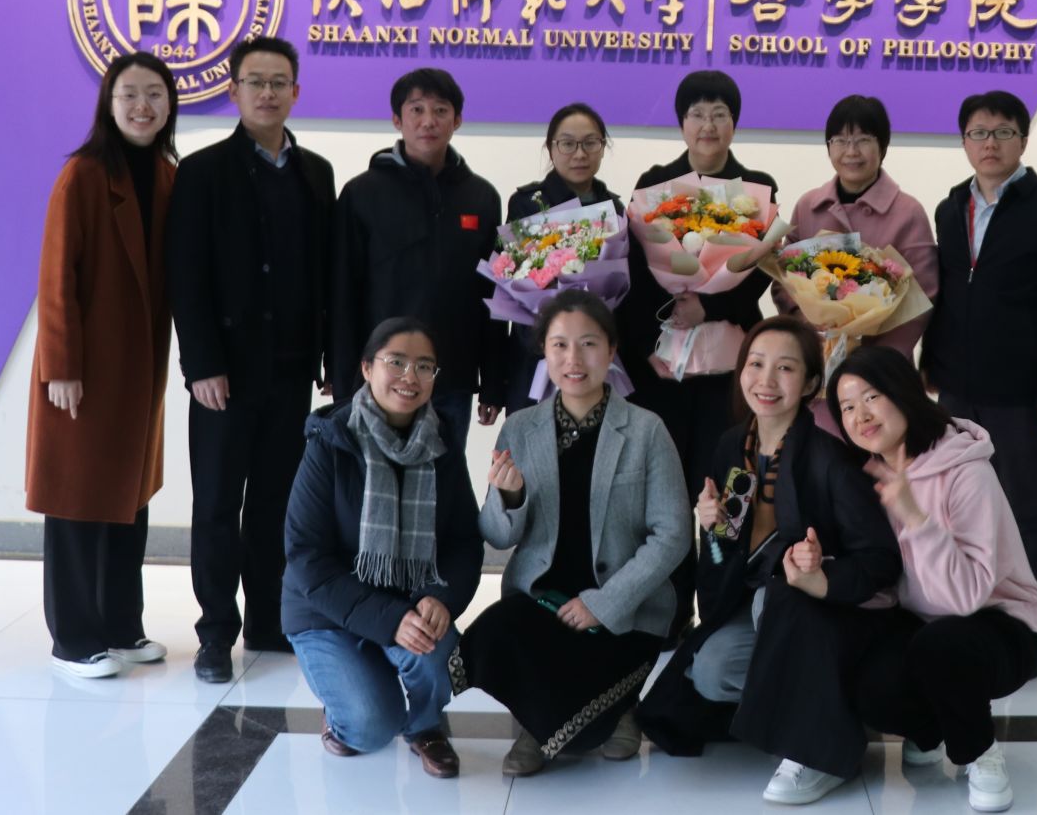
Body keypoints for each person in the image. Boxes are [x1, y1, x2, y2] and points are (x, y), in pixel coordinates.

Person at [637, 316, 901, 806]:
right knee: (710, 671)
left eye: (785, 368)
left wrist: (822, 571)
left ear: (812, 384)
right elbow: (722, 561)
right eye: (756, 364)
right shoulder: (730, 446)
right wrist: (713, 529)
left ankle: (820, 748)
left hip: (824, 615)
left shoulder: (830, 460)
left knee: (773, 602)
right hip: (759, 609)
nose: (766, 381)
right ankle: (825, 704)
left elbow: (881, 560)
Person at [456, 290, 688, 777]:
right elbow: (495, 535)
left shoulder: (646, 430)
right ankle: (537, 723)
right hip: (543, 601)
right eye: (559, 345)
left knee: (586, 736)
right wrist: (510, 497)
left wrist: (603, 603)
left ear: (611, 350)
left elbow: (672, 534)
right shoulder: (521, 428)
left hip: (622, 610)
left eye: (588, 344)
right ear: (543, 351)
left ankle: (619, 705)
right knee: (489, 634)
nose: (573, 359)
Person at [166, 36, 337, 685]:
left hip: (291, 369)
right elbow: (186, 275)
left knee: (275, 503)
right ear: (233, 90)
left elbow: (324, 274)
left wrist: (328, 355)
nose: (267, 92)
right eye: (255, 81)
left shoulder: (316, 172)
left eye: (279, 82)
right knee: (216, 504)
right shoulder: (202, 171)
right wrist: (200, 364)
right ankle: (215, 632)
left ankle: (268, 619)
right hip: (224, 375)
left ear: (296, 91)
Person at [833, 347, 1037, 815]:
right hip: (923, 622)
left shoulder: (966, 470)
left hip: (1000, 624)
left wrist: (915, 517)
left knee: (942, 645)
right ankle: (929, 728)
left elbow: (966, 596)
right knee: (870, 685)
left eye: (871, 397)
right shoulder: (868, 476)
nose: (860, 415)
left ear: (903, 393)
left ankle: (979, 752)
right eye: (847, 406)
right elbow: (886, 582)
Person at [26, 52, 178, 679]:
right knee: (77, 500)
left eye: (155, 94)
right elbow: (55, 277)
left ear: (170, 105)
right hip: (84, 371)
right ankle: (73, 639)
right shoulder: (83, 174)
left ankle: (120, 625)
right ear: (108, 105)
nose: (143, 106)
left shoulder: (167, 174)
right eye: (129, 94)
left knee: (128, 500)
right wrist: (61, 365)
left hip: (139, 371)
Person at [919, 90, 1037, 622]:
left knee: (1022, 510)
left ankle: (1029, 624)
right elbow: (948, 294)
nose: (989, 143)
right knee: (956, 507)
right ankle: (967, 618)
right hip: (957, 391)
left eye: (1002, 132)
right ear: (964, 142)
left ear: (1023, 139)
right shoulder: (951, 208)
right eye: (978, 132)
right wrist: (932, 364)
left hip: (1023, 396)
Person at [281, 318, 483, 775]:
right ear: (367, 368)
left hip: (409, 599)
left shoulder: (443, 444)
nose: (410, 377)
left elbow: (464, 540)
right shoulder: (330, 440)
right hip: (326, 612)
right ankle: (345, 707)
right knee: (370, 727)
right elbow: (307, 557)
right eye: (396, 362)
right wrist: (390, 620)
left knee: (442, 656)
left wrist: (440, 597)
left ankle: (425, 726)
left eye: (424, 366)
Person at [620, 70, 781, 625]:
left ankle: (722, 609)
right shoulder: (655, 183)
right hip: (662, 371)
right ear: (681, 123)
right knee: (665, 498)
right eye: (697, 114)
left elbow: (758, 274)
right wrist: (664, 320)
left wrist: (707, 307)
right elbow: (637, 270)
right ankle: (669, 614)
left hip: (728, 373)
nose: (707, 125)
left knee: (725, 490)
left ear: (734, 122)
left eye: (719, 113)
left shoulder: (756, 187)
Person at [330, 67, 508, 453]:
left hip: (451, 377)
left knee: (444, 480)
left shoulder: (482, 197)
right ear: (397, 119)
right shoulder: (362, 193)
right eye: (416, 109)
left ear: (457, 120)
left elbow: (494, 294)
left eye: (441, 110)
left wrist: (494, 381)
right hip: (380, 377)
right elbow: (343, 290)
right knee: (372, 479)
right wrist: (342, 377)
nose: (429, 121)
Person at [776, 94, 939, 358]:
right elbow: (784, 280)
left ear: (882, 146)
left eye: (863, 140)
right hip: (815, 356)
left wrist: (877, 358)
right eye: (840, 140)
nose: (851, 151)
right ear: (828, 147)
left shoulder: (908, 212)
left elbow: (922, 297)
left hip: (881, 366)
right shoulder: (807, 206)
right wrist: (811, 332)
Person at [499, 102, 618, 413]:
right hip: (535, 356)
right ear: (551, 149)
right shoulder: (526, 204)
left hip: (593, 361)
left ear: (602, 148)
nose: (579, 154)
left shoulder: (615, 209)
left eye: (590, 143)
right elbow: (513, 283)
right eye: (567, 144)